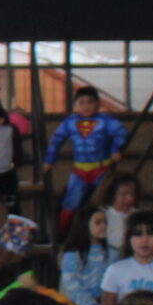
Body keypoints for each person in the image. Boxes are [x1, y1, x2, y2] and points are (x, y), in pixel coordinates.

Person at [44, 87, 129, 215]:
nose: (86, 106)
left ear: (98, 104)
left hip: (103, 170)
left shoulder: (107, 120)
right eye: (81, 102)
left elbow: (121, 133)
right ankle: (63, 228)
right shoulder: (69, 122)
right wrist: (49, 160)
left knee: (104, 202)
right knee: (70, 203)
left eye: (90, 101)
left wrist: (116, 149)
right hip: (79, 171)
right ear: (75, 106)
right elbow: (56, 140)